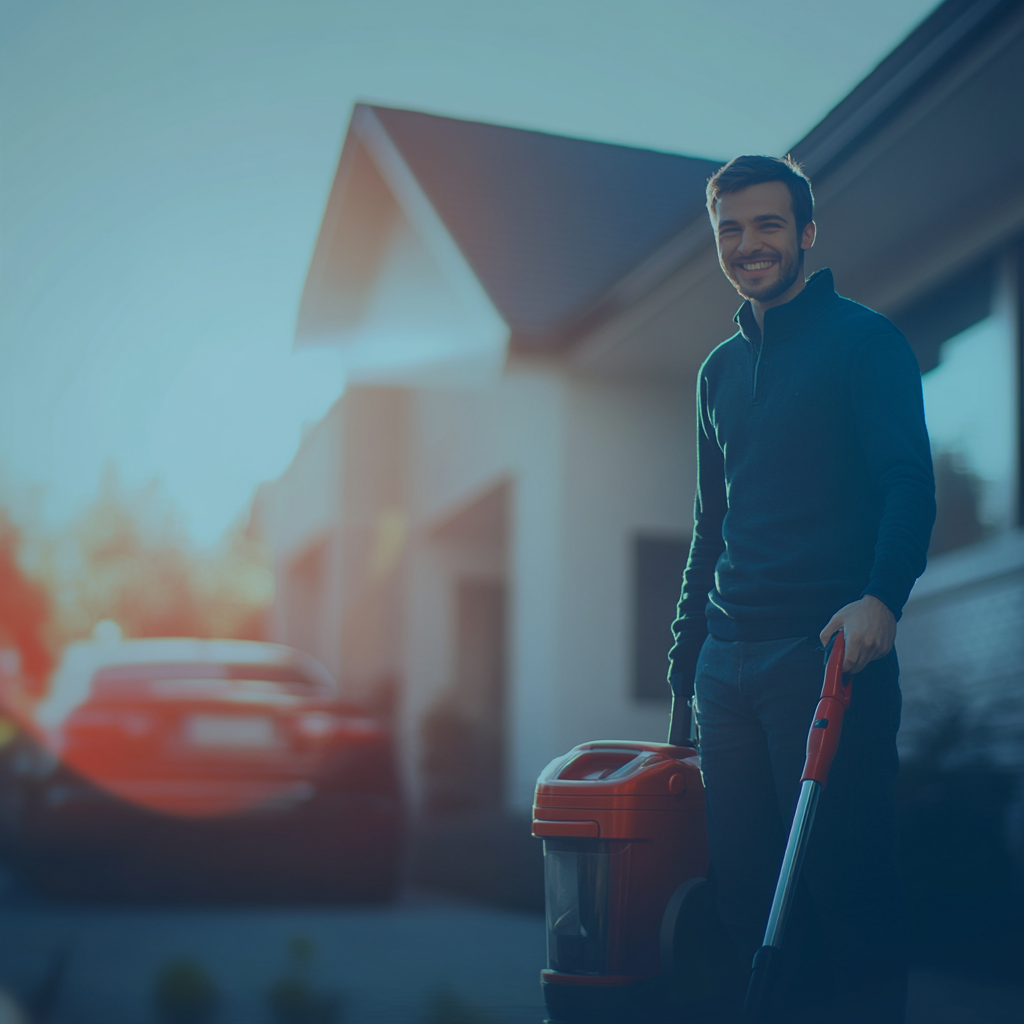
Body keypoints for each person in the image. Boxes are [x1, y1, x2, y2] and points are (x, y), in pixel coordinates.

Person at [666, 155, 935, 1023]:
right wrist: (685, 667)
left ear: (806, 233)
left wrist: (881, 598)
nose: (749, 245)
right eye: (731, 230)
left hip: (825, 659)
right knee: (749, 900)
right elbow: (711, 529)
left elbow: (907, 482)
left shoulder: (865, 343)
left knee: (846, 891)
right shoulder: (716, 374)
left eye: (768, 225)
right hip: (728, 669)